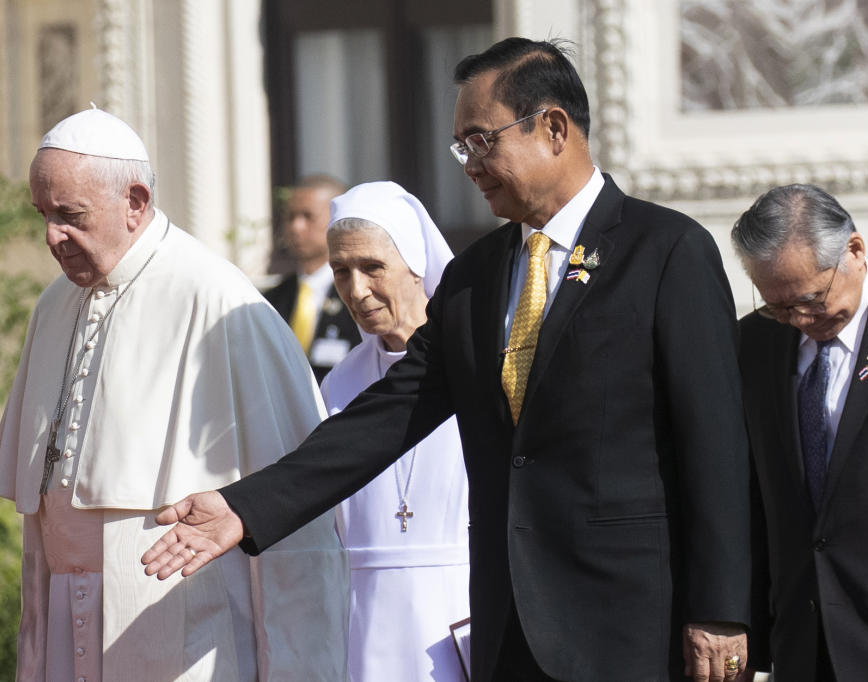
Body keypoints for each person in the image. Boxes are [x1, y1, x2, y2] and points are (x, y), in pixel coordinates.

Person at [143, 37, 753, 682]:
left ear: (553, 128)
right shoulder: (477, 275)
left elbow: (714, 443)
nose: (469, 163)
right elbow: (389, 412)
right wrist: (246, 506)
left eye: (482, 140)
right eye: (461, 146)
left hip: (632, 620)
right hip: (507, 622)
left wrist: (719, 609)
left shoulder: (664, 250)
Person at [0, 107, 349, 681]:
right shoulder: (53, 304)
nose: (52, 237)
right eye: (44, 215)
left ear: (135, 201)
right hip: (65, 629)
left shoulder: (220, 303)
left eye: (70, 215)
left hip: (186, 642)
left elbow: (296, 523)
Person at [321, 181, 469, 681]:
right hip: (362, 623)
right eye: (340, 271)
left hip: (463, 612)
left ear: (416, 264)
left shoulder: (477, 363)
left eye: (372, 267)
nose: (355, 290)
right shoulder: (339, 382)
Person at [733, 184, 868, 682]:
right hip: (802, 644)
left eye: (810, 299)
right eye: (777, 306)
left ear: (854, 252)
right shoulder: (753, 345)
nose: (798, 320)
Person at [265, 175, 361, 382]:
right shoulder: (270, 300)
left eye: (308, 216)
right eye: (290, 217)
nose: (296, 227)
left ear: (338, 219)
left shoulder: (360, 294)